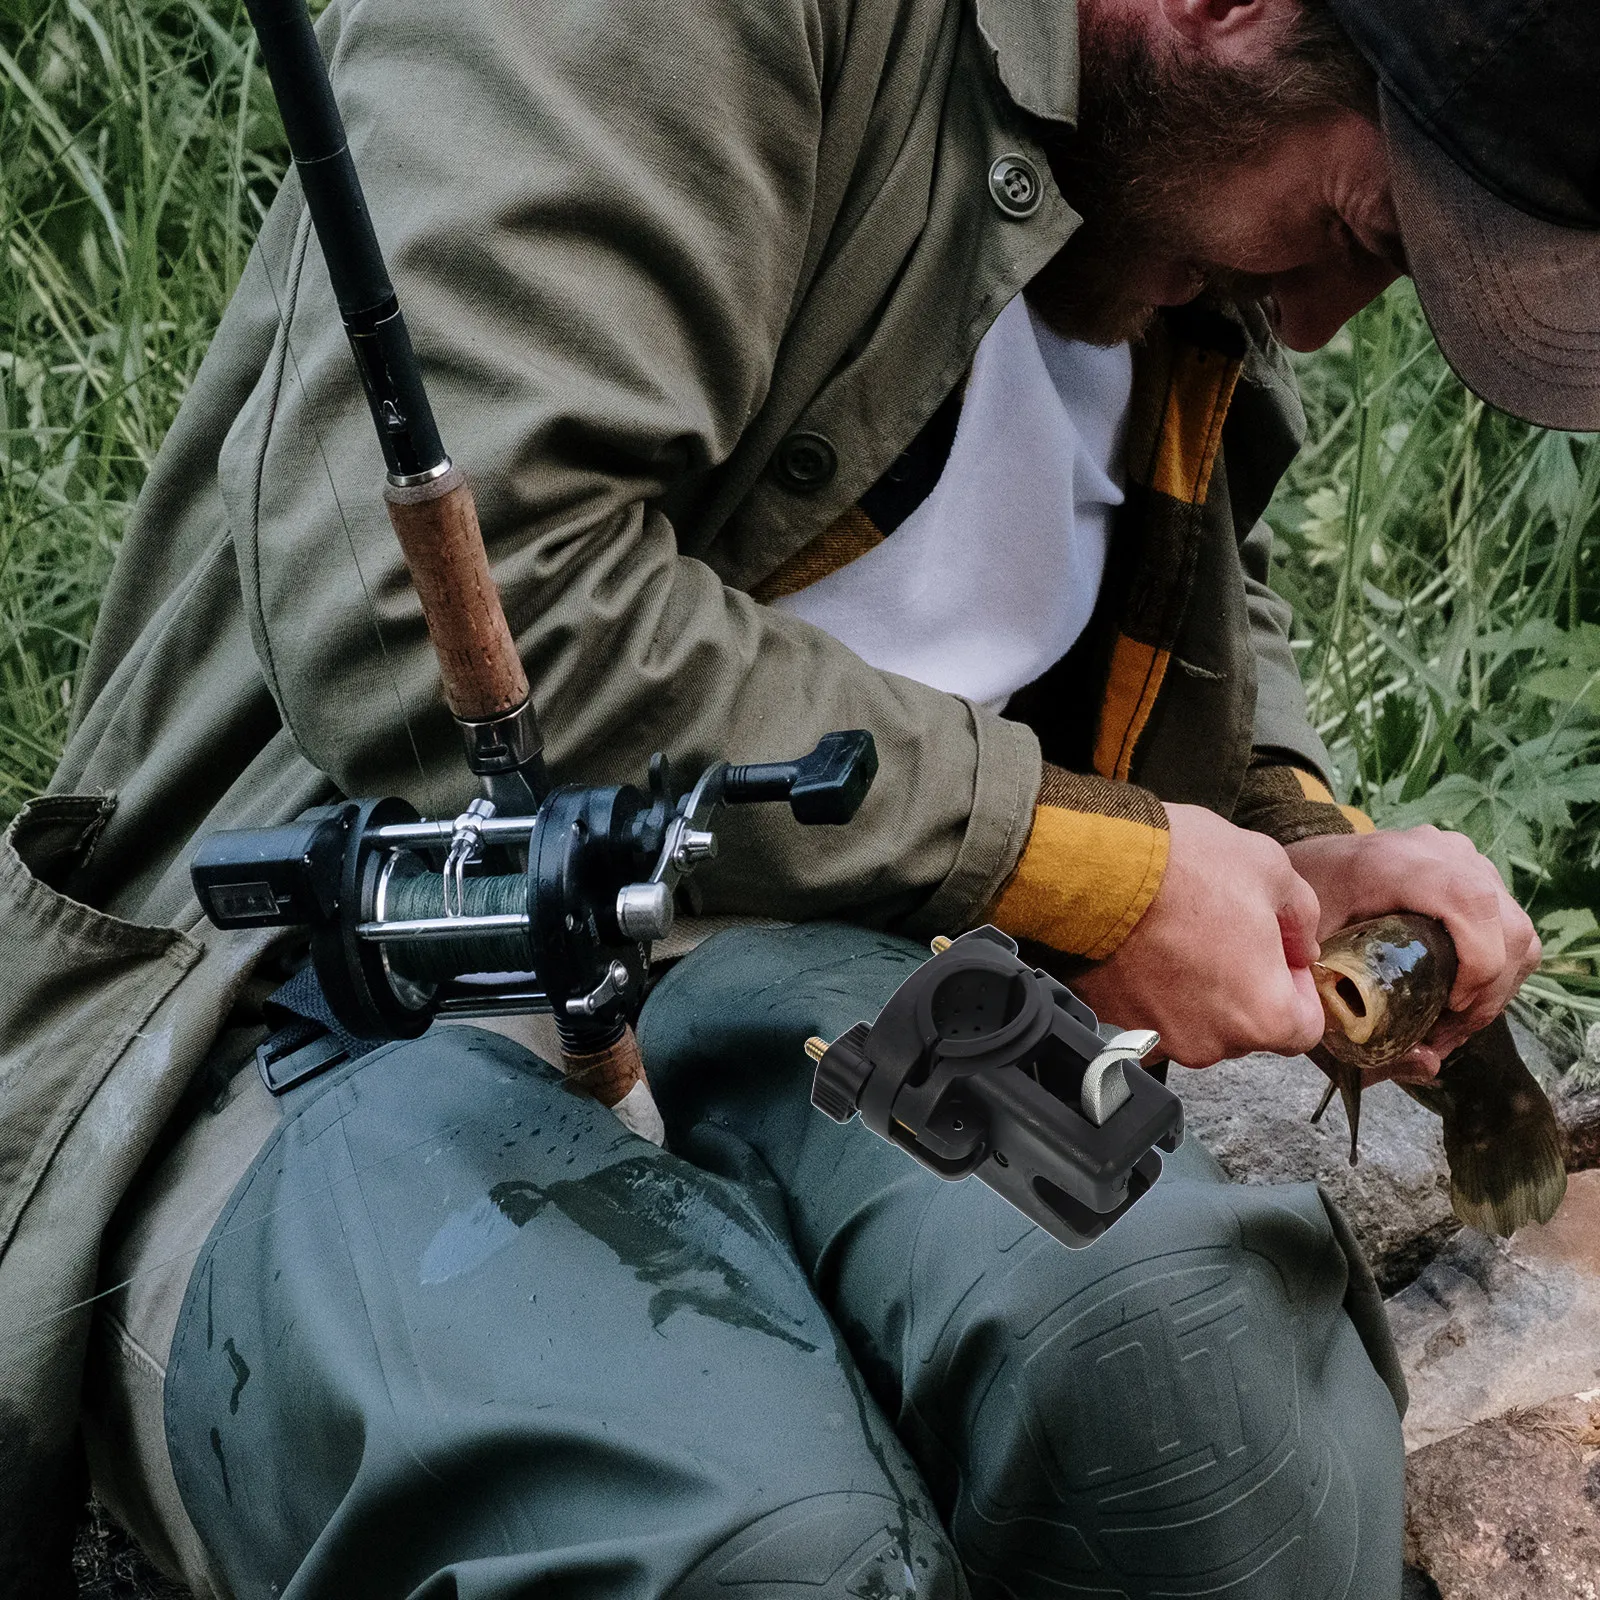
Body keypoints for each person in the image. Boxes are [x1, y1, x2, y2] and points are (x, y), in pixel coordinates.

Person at [0, 0, 1593, 1591]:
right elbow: (430, 615)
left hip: (850, 962)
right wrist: (1075, 868)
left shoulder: (1163, 182)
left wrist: (1295, 840)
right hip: (358, 964)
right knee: (746, 1547)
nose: (1315, 324)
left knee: (1181, 1371)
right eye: (1356, 227)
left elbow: (1172, 582)